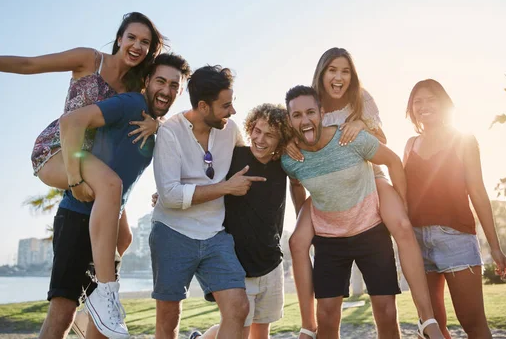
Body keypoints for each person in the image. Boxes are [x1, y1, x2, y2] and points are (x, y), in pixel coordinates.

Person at [0, 12, 166, 329]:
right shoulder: (90, 60)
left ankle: (84, 310)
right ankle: (106, 295)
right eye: (131, 37)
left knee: (125, 237)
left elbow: (157, 105)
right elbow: (28, 65)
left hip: (94, 162)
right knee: (110, 184)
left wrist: (156, 122)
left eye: (145, 42)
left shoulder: (137, 85)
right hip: (59, 150)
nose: (136, 46)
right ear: (120, 38)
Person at [286, 48, 442, 338]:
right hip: (325, 188)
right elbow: (295, 131)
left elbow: (382, 141)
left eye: (345, 71)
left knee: (402, 226)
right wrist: (289, 143)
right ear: (322, 73)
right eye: (332, 70)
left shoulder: (361, 98)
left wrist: (361, 124)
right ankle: (309, 326)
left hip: (369, 175)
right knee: (297, 241)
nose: (339, 77)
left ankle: (426, 318)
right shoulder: (310, 103)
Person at [39, 52, 190, 339]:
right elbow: (73, 120)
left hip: (105, 230)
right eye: (161, 81)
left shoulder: (160, 128)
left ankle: (97, 307)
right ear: (146, 81)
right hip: (78, 216)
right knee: (61, 313)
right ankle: (99, 301)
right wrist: (74, 179)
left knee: (101, 327)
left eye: (174, 85)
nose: (167, 90)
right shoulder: (131, 103)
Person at [151, 66, 266, 339]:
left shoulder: (230, 130)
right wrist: (225, 187)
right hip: (172, 233)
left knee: (238, 308)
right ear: (203, 106)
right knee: (168, 322)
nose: (232, 111)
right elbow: (170, 196)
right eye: (226, 105)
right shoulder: (169, 133)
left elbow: (254, 156)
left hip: (215, 235)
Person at [282, 85, 406, 339]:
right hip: (329, 241)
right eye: (297, 115)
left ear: (321, 112)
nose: (305, 120)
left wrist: (402, 205)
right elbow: (296, 184)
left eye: (310, 112)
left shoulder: (349, 138)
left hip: (371, 232)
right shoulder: (290, 158)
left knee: (386, 313)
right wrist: (301, 217)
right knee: (326, 317)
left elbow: (393, 159)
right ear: (290, 120)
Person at [403, 79, 506, 338]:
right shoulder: (410, 144)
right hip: (417, 243)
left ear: (443, 103)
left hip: (456, 238)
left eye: (430, 99)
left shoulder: (464, 140)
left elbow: (478, 193)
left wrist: (495, 248)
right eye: (417, 101)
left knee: (473, 324)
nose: (423, 105)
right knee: (433, 326)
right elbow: (402, 194)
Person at [192, 104, 303, 339]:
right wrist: (169, 193)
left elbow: (299, 173)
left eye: (269, 135)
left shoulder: (282, 164)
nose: (260, 139)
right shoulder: (235, 156)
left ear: (280, 140)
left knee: (261, 334)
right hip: (238, 266)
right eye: (257, 131)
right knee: (237, 331)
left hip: (271, 263)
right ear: (250, 129)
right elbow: (201, 175)